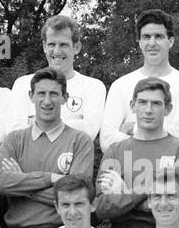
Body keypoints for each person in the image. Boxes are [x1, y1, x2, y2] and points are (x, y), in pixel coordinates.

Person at [0, 68, 96, 228]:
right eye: (41, 93)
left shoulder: (80, 141)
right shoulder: (14, 139)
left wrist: (21, 182)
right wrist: (51, 178)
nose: (47, 101)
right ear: (31, 96)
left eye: (54, 94)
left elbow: (75, 196)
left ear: (65, 98)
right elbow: (0, 183)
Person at [94, 77, 179, 228]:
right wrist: (150, 188)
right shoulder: (115, 150)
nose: (148, 110)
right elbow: (101, 209)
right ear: (132, 106)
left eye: (156, 103)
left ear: (168, 109)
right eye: (142, 102)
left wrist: (125, 193)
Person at [100, 9, 179, 149]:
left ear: (170, 41)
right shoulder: (120, 85)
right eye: (146, 37)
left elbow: (178, 135)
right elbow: (107, 142)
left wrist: (132, 129)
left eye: (158, 36)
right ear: (139, 42)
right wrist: (162, 130)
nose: (152, 43)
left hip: (166, 167)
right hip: (125, 166)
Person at [6, 14, 106, 142]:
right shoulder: (22, 84)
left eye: (63, 45)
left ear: (76, 47)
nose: (57, 51)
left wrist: (35, 122)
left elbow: (88, 132)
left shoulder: (93, 87)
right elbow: (13, 132)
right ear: (44, 46)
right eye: (52, 44)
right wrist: (73, 123)